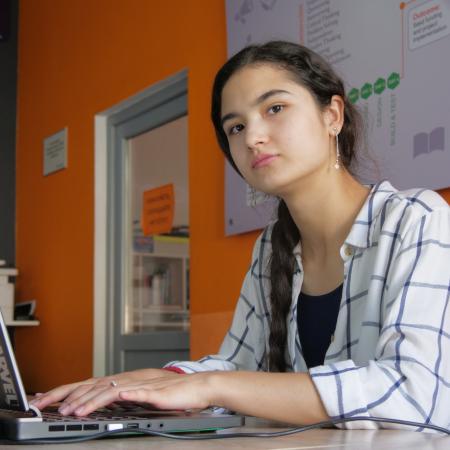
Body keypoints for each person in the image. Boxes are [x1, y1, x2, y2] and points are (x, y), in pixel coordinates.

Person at [31, 41, 450, 431]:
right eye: (235, 127)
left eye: (275, 108)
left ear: (332, 115)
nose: (252, 137)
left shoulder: (415, 219)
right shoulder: (272, 246)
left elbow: (412, 393)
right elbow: (238, 366)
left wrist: (212, 385)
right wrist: (142, 385)